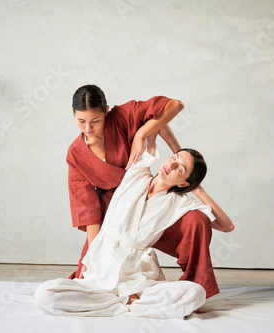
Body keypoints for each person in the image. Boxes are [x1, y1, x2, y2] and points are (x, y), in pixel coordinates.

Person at [66, 85, 232, 299]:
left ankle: (195, 286)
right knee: (85, 279)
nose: (88, 127)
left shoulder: (123, 119)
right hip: (115, 213)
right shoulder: (78, 155)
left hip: (151, 220)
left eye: (95, 121)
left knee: (197, 220)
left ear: (106, 111)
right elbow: (87, 207)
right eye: (81, 121)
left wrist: (154, 142)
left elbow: (168, 111)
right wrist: (96, 253)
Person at [36, 146, 234, 318]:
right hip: (102, 263)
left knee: (195, 294)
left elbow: (226, 226)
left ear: (184, 183)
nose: (171, 165)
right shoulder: (138, 172)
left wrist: (199, 190)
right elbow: (151, 126)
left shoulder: (180, 203)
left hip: (138, 275)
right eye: (173, 158)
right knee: (45, 294)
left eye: (180, 168)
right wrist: (146, 139)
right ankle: (128, 305)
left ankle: (123, 303)